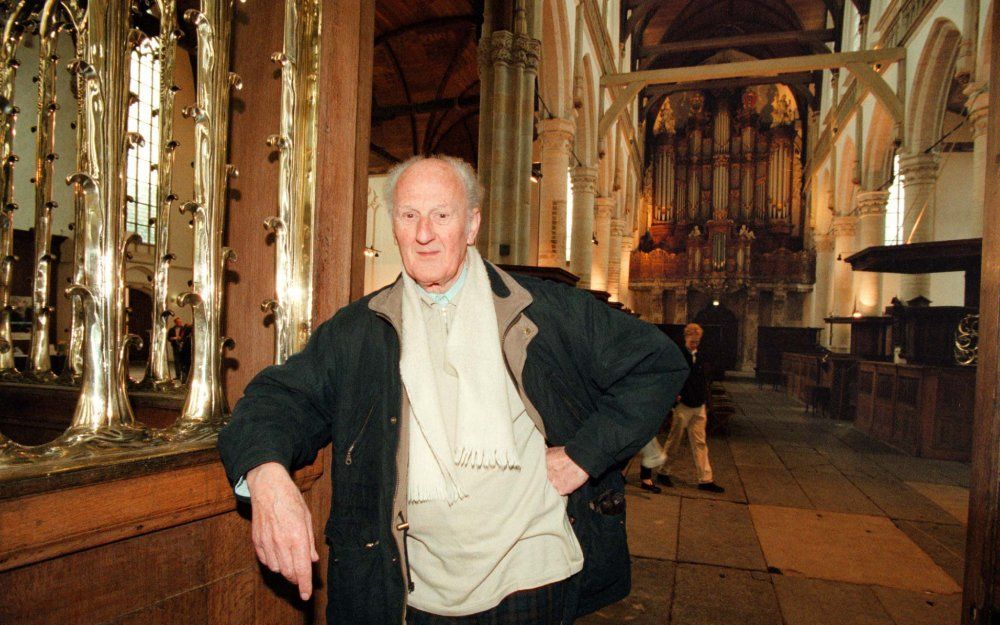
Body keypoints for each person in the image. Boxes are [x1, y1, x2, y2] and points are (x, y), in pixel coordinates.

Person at [217, 155, 689, 625]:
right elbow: (279, 399)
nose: (424, 233)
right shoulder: (358, 332)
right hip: (413, 591)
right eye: (409, 215)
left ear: (471, 224)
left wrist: (584, 454)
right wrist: (266, 475)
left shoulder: (544, 311)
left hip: (532, 580)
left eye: (442, 215)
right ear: (394, 225)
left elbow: (658, 363)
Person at [653, 322, 724, 493]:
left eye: (697, 342)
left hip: (699, 404)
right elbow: (671, 377)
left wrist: (705, 402)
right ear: (686, 338)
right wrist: (674, 398)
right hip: (683, 405)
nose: (695, 345)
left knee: (700, 442)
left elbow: (703, 380)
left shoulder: (700, 355)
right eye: (692, 341)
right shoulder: (679, 355)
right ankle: (663, 472)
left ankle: (705, 479)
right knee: (674, 441)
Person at [167, 317, 189, 381]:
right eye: (178, 322)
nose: (180, 323)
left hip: (183, 347)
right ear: (175, 323)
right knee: (176, 362)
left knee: (183, 362)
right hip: (175, 347)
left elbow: (186, 337)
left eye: (180, 322)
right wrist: (173, 338)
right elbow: (168, 338)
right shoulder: (171, 329)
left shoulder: (184, 329)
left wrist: (181, 338)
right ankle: (178, 375)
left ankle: (184, 376)